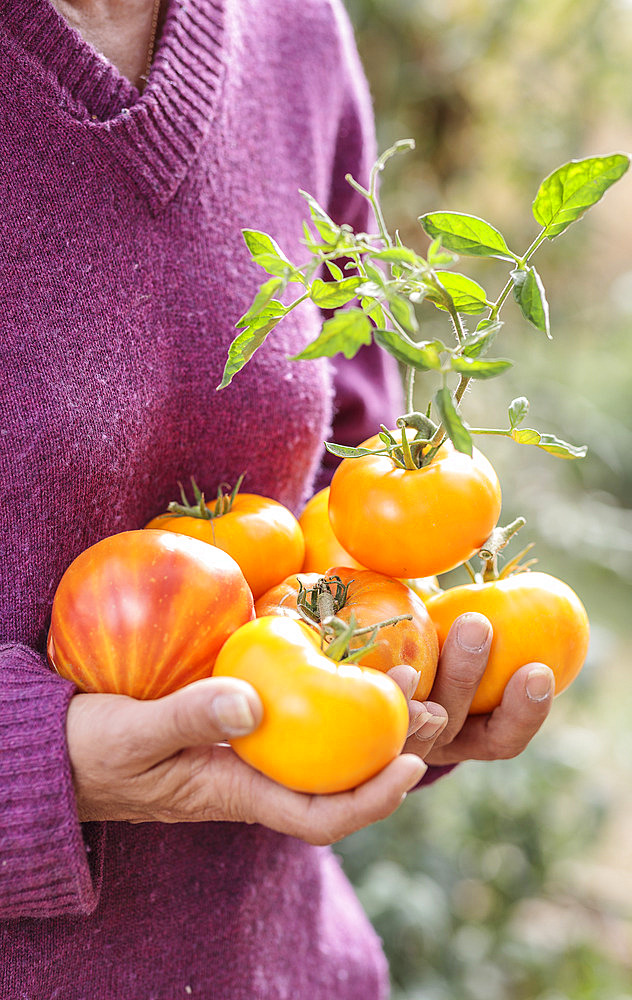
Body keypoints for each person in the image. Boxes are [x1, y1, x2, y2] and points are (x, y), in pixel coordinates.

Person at [0, 0, 556, 996]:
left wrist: (391, 689)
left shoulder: (295, 27)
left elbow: (350, 512)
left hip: (280, 966)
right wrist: (39, 766)